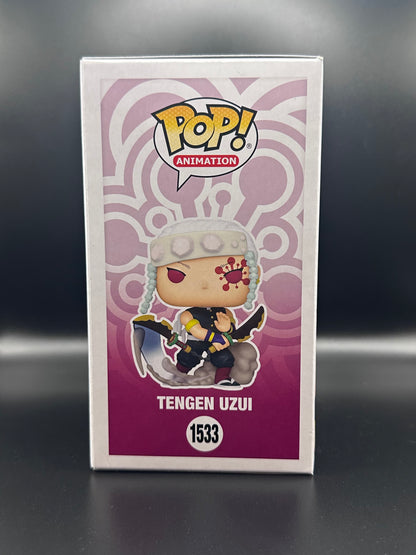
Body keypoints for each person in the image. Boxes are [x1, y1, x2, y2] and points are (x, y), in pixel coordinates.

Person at [140, 219, 260, 387]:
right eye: (177, 275)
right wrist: (216, 337)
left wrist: (227, 329)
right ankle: (178, 375)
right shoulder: (188, 314)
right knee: (187, 358)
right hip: (195, 343)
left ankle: (222, 379)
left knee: (224, 358)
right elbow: (195, 329)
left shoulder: (224, 312)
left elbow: (230, 328)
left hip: (217, 345)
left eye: (232, 275)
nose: (204, 285)